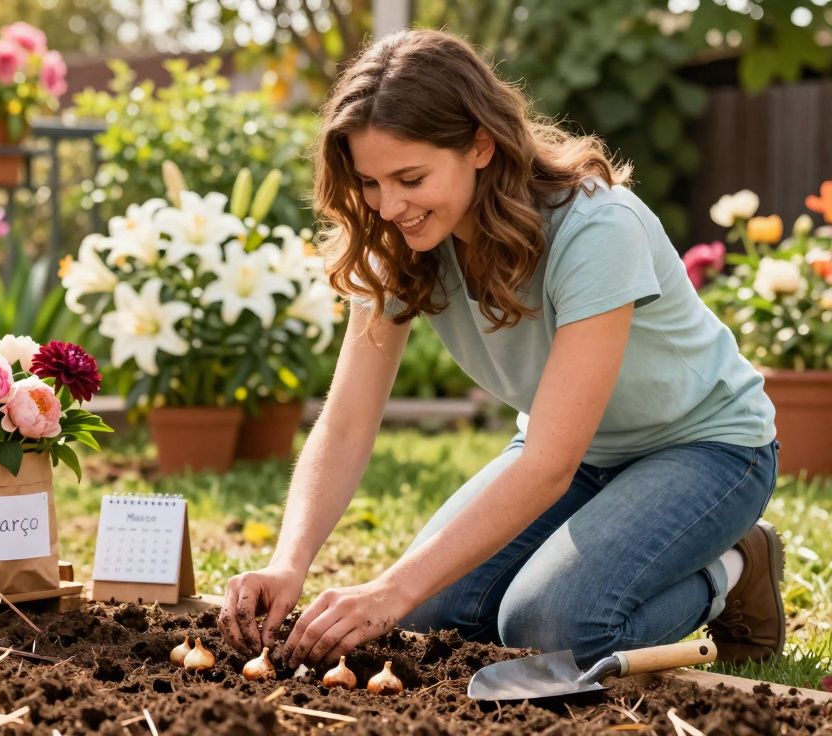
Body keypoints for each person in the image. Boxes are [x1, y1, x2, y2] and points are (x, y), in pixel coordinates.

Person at [217, 29, 783, 671]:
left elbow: (548, 464)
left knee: (549, 628)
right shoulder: (402, 237)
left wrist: (392, 586)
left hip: (705, 448)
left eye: (410, 177)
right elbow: (346, 421)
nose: (391, 205)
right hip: (577, 453)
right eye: (372, 182)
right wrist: (288, 562)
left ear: (480, 145)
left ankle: (734, 566)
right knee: (430, 615)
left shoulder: (597, 227)